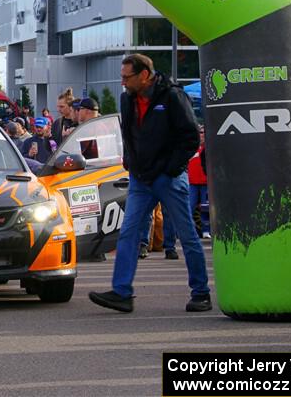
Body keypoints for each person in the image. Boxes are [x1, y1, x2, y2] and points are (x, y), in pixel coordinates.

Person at [89, 53, 208, 313]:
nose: (122, 82)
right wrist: (130, 162)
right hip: (141, 179)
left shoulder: (173, 96)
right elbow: (129, 134)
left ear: (144, 75)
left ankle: (201, 292)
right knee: (129, 233)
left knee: (187, 235)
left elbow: (190, 137)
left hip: (169, 178)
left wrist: (170, 169)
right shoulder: (127, 98)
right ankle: (122, 292)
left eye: (126, 77)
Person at [188, 126, 209, 239]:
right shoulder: (191, 148)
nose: (202, 135)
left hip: (205, 183)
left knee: (206, 208)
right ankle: (192, 231)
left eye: (203, 132)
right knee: (189, 208)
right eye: (200, 132)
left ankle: (206, 231)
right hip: (192, 183)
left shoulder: (208, 148)